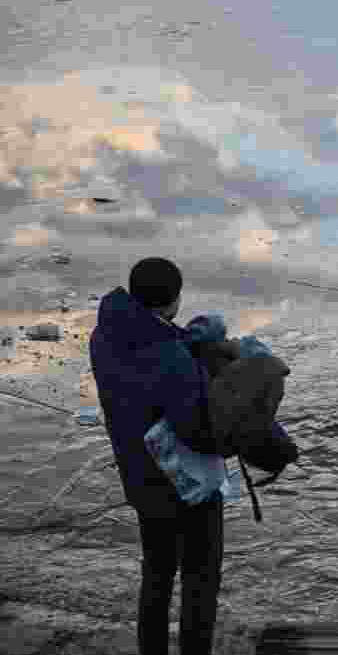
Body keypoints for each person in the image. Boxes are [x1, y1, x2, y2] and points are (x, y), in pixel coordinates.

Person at [89, 257, 223, 655]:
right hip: (185, 485)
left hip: (139, 478)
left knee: (158, 573)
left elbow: (143, 377)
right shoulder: (172, 358)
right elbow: (198, 432)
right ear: (174, 300)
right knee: (200, 577)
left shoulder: (104, 337)